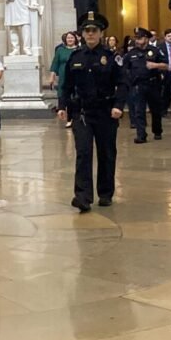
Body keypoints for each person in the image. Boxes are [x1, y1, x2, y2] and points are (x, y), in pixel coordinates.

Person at [58, 11, 127, 213]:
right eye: (86, 31)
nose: (90, 34)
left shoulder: (111, 57)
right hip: (82, 114)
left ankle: (105, 193)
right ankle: (83, 196)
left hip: (106, 112)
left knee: (106, 153)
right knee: (83, 153)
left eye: (94, 30)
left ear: (101, 32)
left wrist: (118, 106)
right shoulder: (75, 57)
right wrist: (62, 106)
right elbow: (66, 85)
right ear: (82, 34)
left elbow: (122, 83)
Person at [123, 27, 168, 144]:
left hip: (153, 84)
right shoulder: (131, 54)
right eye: (136, 38)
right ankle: (141, 135)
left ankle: (157, 131)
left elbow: (166, 66)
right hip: (138, 86)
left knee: (155, 110)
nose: (137, 41)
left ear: (146, 39)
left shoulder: (155, 51)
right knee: (139, 111)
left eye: (140, 38)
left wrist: (155, 65)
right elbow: (124, 68)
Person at [49, 31, 79, 128]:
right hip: (63, 76)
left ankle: (75, 117)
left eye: (72, 38)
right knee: (64, 96)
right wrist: (52, 77)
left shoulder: (79, 50)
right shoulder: (60, 50)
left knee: (75, 97)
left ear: (75, 39)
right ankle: (69, 119)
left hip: (76, 76)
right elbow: (55, 64)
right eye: (68, 38)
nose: (70, 39)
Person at [159, 28, 171, 115]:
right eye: (169, 36)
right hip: (166, 72)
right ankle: (164, 109)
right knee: (166, 92)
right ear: (165, 37)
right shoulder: (160, 47)